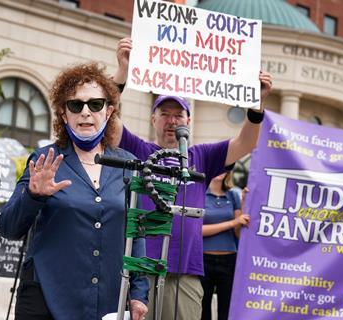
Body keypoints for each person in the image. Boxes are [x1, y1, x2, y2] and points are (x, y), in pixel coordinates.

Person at [110, 38, 272, 320]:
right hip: (141, 270)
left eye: (179, 115)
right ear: (153, 120)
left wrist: (257, 105)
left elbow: (246, 143)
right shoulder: (139, 150)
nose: (172, 121)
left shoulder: (202, 156)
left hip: (186, 272)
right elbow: (107, 121)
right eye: (164, 114)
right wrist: (121, 73)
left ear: (189, 121)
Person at [0, 63, 148, 320]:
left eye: (96, 104)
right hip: (45, 297)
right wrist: (33, 196)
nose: (86, 112)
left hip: (107, 300)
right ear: (63, 113)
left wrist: (139, 292)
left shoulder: (129, 165)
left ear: (109, 110)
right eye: (76, 105)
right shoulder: (44, 159)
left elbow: (137, 235)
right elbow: (9, 228)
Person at [201, 172, 250, 320]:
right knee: (203, 308)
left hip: (229, 260)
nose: (220, 170)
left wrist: (245, 205)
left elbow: (238, 233)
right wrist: (232, 223)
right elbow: (198, 231)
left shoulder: (233, 195)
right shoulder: (200, 194)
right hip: (203, 259)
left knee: (227, 310)